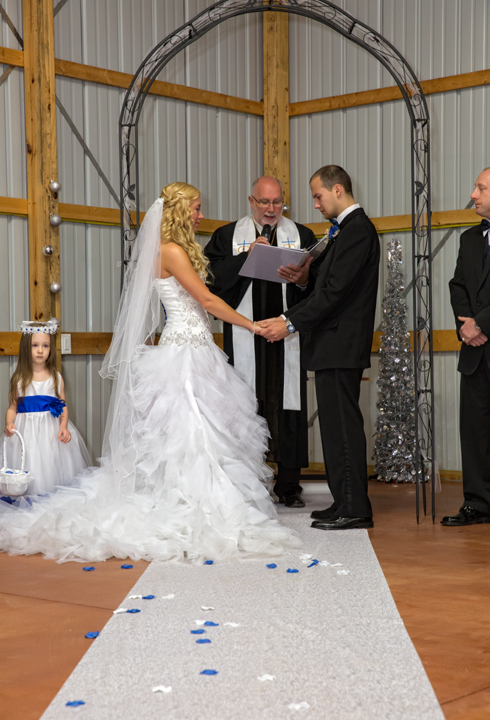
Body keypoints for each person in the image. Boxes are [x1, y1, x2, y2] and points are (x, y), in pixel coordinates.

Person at [0, 182, 300, 563]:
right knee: (191, 432)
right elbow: (206, 299)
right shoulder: (171, 251)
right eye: (196, 208)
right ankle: (193, 504)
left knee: (201, 430)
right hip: (184, 353)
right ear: (179, 211)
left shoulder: (172, 249)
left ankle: (197, 498)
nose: (201, 215)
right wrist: (253, 326)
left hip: (194, 346)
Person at [260, 165, 380, 530]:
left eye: (318, 196)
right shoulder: (341, 233)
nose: (315, 204)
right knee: (333, 426)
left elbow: (334, 294)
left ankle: (355, 508)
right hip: (331, 343)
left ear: (338, 189)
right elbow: (322, 285)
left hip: (341, 342)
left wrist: (288, 321)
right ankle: (342, 499)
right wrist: (302, 278)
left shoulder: (357, 231)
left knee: (342, 426)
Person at [204, 176, 317, 508]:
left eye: (277, 202)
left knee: (288, 405)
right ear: (250, 201)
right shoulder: (227, 237)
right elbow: (211, 282)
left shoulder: (302, 236)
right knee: (244, 405)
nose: (271, 210)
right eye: (264, 203)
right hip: (245, 334)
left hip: (286, 334)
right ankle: (246, 481)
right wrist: (246, 258)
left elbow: (318, 286)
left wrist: (304, 277)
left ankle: (288, 485)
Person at [444, 167, 490, 526]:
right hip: (474, 351)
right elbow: (457, 284)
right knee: (474, 429)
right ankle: (477, 502)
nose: (473, 195)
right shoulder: (469, 239)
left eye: (480, 188)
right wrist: (466, 325)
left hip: (483, 333)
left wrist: (482, 323)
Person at [3, 320, 91, 496]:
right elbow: (12, 407)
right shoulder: (19, 379)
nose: (40, 350)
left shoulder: (56, 378)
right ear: (26, 348)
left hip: (50, 432)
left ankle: (48, 498)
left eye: (45, 346)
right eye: (35, 345)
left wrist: (63, 425)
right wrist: (9, 422)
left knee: (50, 463)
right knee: (29, 461)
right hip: (26, 431)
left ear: (51, 348)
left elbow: (62, 405)